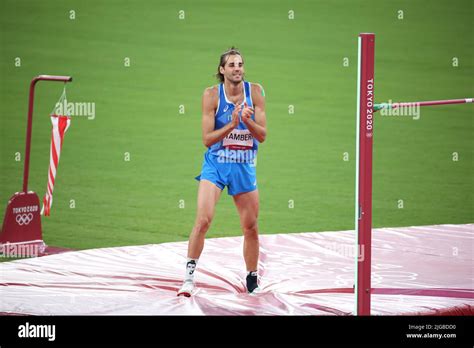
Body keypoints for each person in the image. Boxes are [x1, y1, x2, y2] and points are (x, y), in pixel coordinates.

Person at [177, 47, 267, 297]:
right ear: (222, 70)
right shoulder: (211, 95)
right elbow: (207, 139)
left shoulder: (256, 92)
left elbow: (263, 135)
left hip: (244, 164)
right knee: (203, 220)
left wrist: (247, 120)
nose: (237, 68)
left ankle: (252, 280)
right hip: (216, 164)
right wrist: (232, 122)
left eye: (240, 64)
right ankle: (188, 277)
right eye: (231, 65)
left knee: (250, 227)